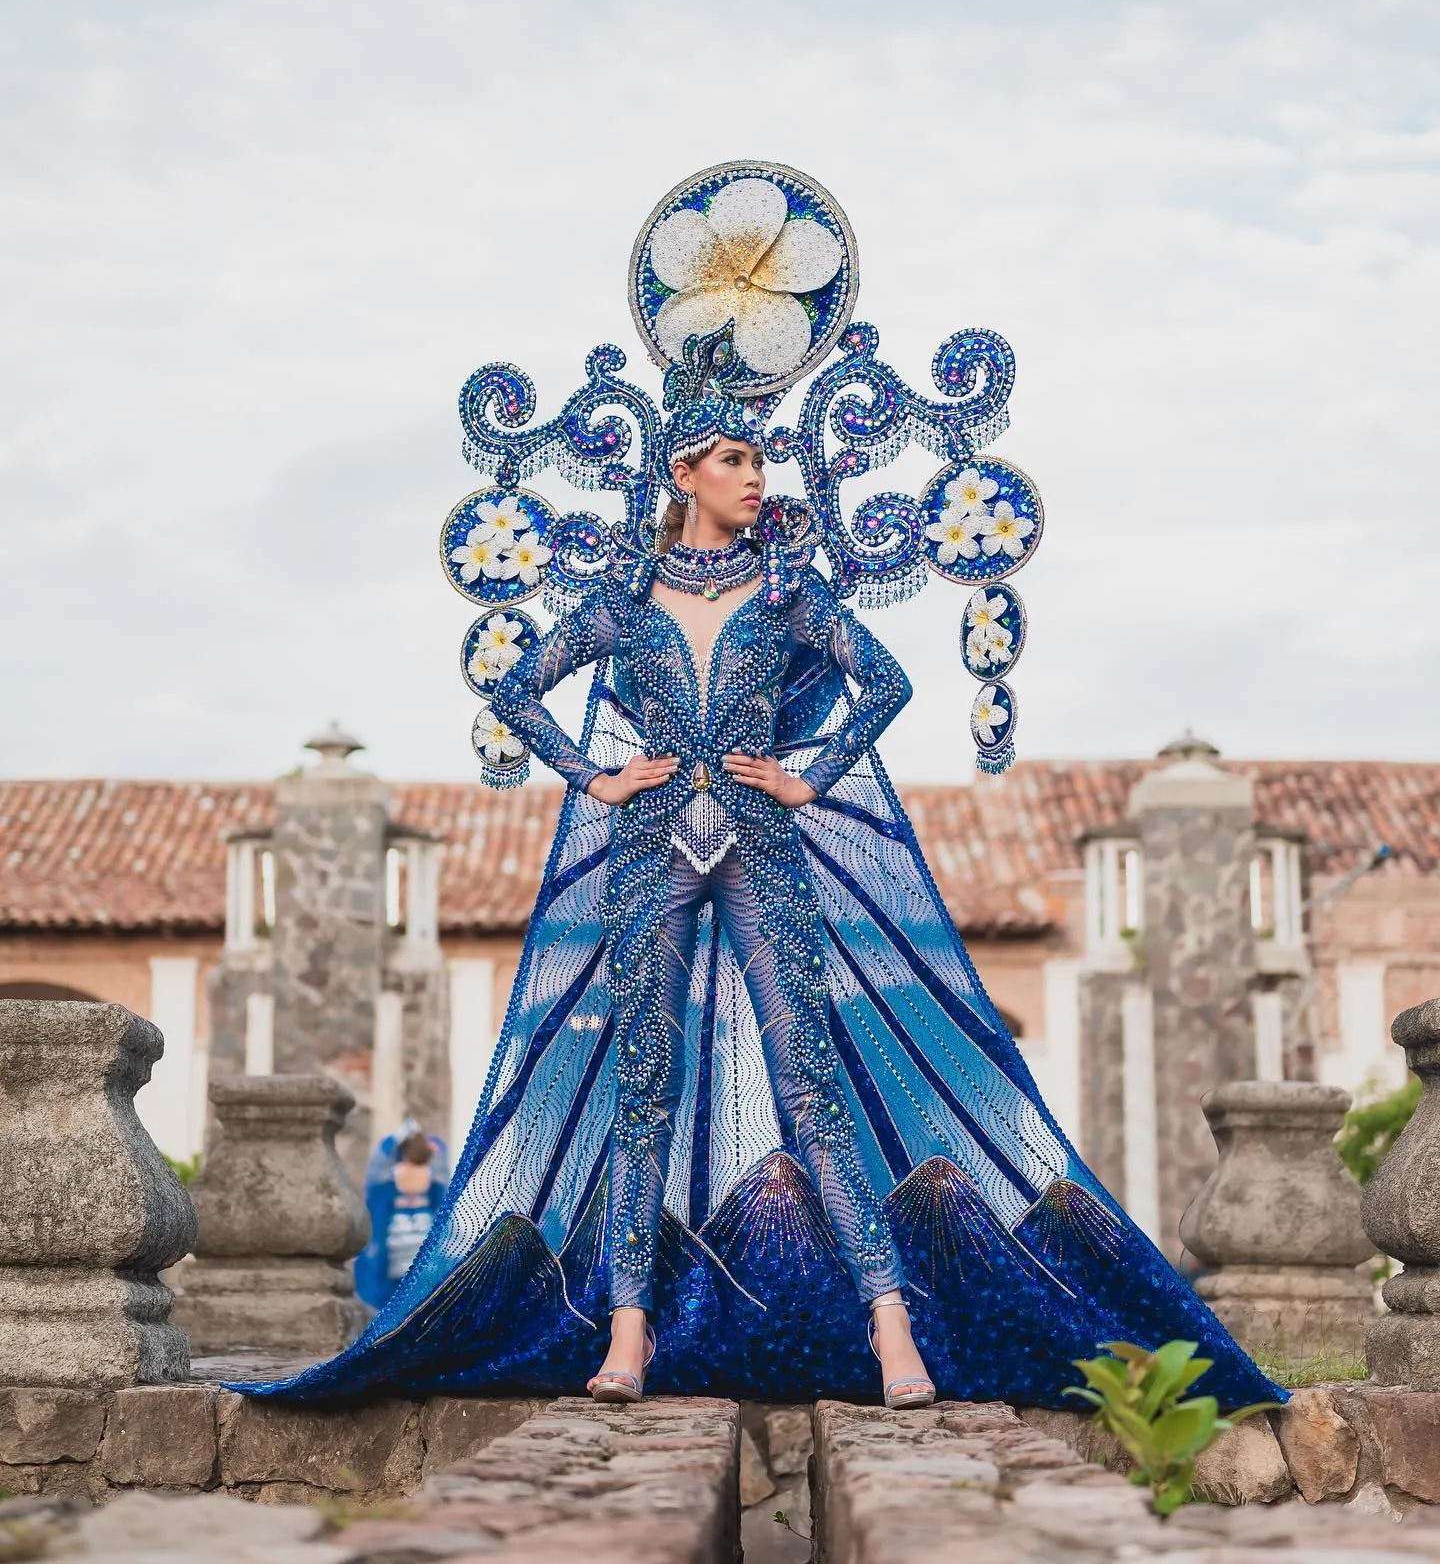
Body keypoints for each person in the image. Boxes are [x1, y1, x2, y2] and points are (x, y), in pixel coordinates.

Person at [237, 169, 1282, 1414]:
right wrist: (595, 772)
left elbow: (885, 685)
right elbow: (516, 691)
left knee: (816, 1093)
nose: (755, 477)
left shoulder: (792, 592)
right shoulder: (620, 602)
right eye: (734, 458)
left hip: (764, 848)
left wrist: (807, 772)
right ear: (685, 468)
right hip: (645, 851)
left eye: (760, 457)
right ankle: (623, 1338)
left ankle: (897, 1338)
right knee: (641, 1086)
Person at [355, 1127, 449, 1313]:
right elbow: (441, 1154)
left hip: (394, 1248)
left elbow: (380, 1160)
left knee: (390, 1306)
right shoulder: (433, 1176)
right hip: (423, 1248)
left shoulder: (391, 1175)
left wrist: (398, 1136)